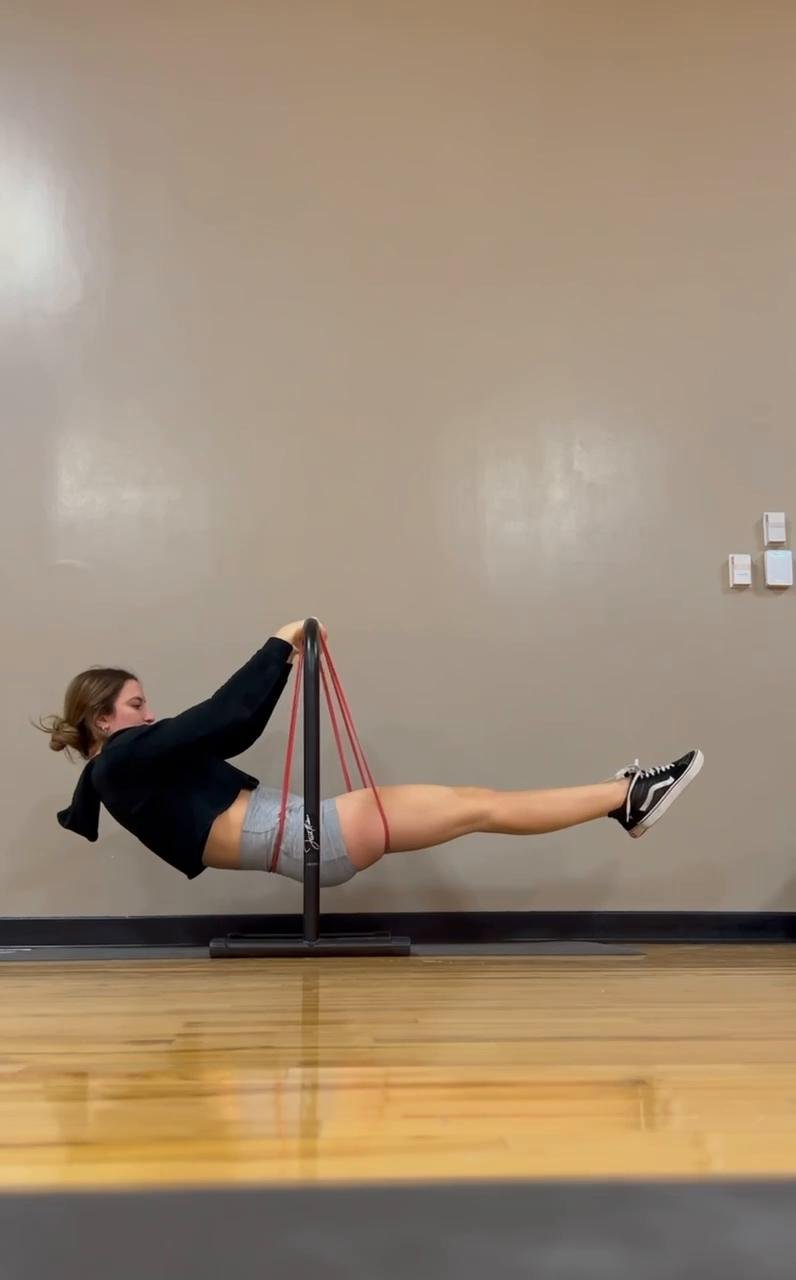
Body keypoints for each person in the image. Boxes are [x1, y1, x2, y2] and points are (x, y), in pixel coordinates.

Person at [41, 620, 704, 884]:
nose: (148, 714)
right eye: (136, 705)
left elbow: (228, 729)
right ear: (102, 719)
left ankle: (622, 796)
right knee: (482, 806)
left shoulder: (119, 770)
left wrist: (284, 658)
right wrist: (278, 643)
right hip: (314, 835)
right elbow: (223, 719)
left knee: (478, 804)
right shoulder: (121, 761)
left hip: (306, 834)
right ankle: (625, 794)